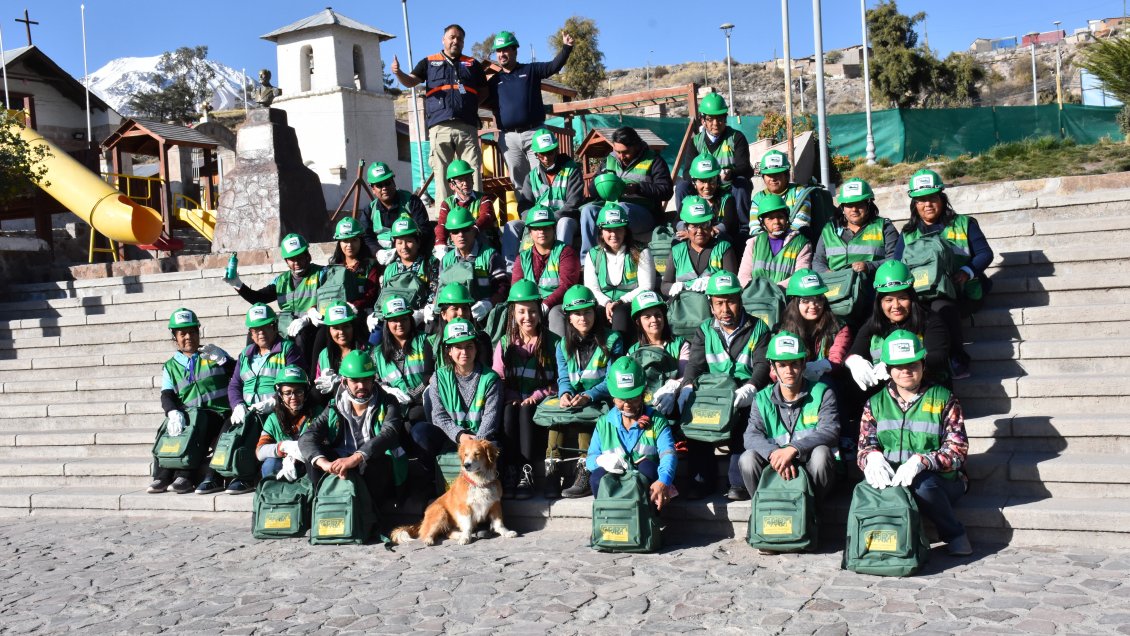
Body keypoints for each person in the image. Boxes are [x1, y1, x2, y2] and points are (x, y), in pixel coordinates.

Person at [858, 330, 972, 556]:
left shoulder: (943, 398)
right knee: (867, 486)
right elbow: (865, 444)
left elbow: (957, 450)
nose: (906, 371)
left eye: (912, 364)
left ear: (922, 365)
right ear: (889, 370)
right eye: (899, 366)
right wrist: (871, 456)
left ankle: (955, 535)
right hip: (893, 477)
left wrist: (922, 461)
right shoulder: (875, 403)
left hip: (940, 480)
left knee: (924, 485)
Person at [738, 331, 840, 532]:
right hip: (775, 464)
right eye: (782, 365)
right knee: (747, 458)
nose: (789, 370)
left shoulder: (822, 392)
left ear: (803, 364)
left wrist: (792, 449)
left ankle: (811, 512)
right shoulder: (762, 398)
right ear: (773, 367)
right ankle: (763, 509)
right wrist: (775, 453)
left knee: (822, 454)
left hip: (808, 465)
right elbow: (751, 436)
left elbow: (831, 430)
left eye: (794, 363)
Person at [683, 271, 771, 501]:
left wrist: (751, 387)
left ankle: (738, 482)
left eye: (731, 301)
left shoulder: (759, 327)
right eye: (719, 303)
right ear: (711, 305)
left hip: (744, 389)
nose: (725, 309)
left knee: (745, 419)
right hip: (714, 392)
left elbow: (762, 365)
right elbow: (695, 364)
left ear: (740, 300)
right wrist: (687, 385)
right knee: (695, 417)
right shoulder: (704, 329)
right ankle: (701, 480)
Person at [902, 169, 993, 379]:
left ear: (942, 199)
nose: (927, 204)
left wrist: (966, 272)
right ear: (914, 204)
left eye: (932, 198)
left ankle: (957, 359)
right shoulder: (907, 234)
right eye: (921, 200)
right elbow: (898, 265)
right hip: (923, 293)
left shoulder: (964, 224)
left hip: (962, 292)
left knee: (941, 307)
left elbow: (984, 254)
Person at [391, 24, 487, 205]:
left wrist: (468, 106)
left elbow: (484, 91)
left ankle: (475, 214)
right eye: (452, 37)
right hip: (439, 127)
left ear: (463, 42)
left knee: (472, 170)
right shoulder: (428, 62)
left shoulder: (473, 64)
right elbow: (411, 81)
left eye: (459, 38)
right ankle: (446, 217)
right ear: (443, 39)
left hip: (467, 127)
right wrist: (398, 73)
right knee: (441, 172)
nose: (455, 41)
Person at [298, 350, 405, 511]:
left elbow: (388, 433)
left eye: (366, 379)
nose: (361, 386)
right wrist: (325, 464)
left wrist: (356, 458)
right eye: (355, 380)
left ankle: (370, 513)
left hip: (369, 461)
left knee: (375, 463)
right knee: (313, 459)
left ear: (373, 379)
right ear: (344, 382)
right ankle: (322, 507)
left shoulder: (389, 402)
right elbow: (308, 436)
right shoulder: (334, 405)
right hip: (341, 461)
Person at [550, 285, 625, 499]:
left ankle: (584, 468)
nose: (583, 318)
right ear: (569, 318)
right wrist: (564, 393)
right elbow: (564, 377)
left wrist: (589, 395)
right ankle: (552, 469)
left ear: (595, 312)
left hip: (600, 399)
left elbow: (612, 379)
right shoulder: (562, 346)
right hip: (576, 398)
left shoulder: (612, 340)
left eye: (587, 312)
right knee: (556, 418)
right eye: (577, 314)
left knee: (586, 418)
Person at [148, 308, 234, 495]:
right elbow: (167, 394)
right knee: (166, 428)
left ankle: (185, 476)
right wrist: (172, 412)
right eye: (182, 333)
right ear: (175, 337)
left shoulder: (212, 354)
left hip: (217, 413)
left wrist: (225, 361)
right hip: (189, 414)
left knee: (197, 425)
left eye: (193, 331)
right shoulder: (171, 365)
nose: (188, 337)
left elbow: (238, 375)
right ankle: (161, 475)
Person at [221, 304, 304, 494]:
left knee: (255, 427)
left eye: (266, 327)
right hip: (250, 408)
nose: (261, 333)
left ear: (274, 327)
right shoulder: (245, 355)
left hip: (278, 409)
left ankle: (246, 477)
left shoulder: (288, 349)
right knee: (229, 427)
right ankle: (219, 474)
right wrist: (238, 405)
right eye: (256, 329)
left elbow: (296, 381)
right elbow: (234, 384)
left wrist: (275, 401)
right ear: (250, 333)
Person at [493, 281, 558, 499]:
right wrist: (511, 395)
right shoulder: (504, 343)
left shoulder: (554, 342)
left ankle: (526, 471)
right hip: (514, 406)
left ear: (540, 311)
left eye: (532, 311)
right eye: (521, 311)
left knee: (526, 410)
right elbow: (498, 379)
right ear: (513, 313)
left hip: (540, 410)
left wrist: (538, 395)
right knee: (512, 410)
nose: (527, 317)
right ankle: (511, 470)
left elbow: (563, 380)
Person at [846, 260, 951, 392]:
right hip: (886, 395)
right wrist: (854, 361)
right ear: (879, 303)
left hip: (927, 390)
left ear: (912, 298)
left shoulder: (930, 320)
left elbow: (938, 356)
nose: (896, 306)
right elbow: (854, 351)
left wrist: (893, 364)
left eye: (902, 298)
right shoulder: (873, 324)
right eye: (888, 300)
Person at [585, 357, 677, 508]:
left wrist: (664, 480)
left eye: (633, 399)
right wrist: (601, 461)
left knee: (648, 468)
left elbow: (668, 453)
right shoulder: (603, 424)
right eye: (621, 400)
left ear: (642, 394)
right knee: (597, 477)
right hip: (615, 484)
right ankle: (609, 521)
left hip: (646, 485)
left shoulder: (657, 421)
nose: (627, 405)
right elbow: (591, 458)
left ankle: (648, 521)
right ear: (613, 398)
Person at [489, 30, 574, 191]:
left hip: (535, 133)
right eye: (498, 51)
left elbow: (553, 66)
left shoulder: (530, 70)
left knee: (542, 176)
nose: (501, 54)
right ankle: (526, 214)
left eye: (505, 49)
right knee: (519, 182)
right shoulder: (494, 81)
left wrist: (566, 48)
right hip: (509, 138)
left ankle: (546, 213)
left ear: (515, 50)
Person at [226, 233, 323, 368]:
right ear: (286, 261)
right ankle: (250, 368)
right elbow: (259, 298)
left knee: (302, 335)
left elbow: (330, 298)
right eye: (292, 259)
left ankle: (302, 374)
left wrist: (308, 317)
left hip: (311, 324)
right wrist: (238, 285)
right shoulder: (281, 280)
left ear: (308, 255)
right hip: (285, 324)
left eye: (300, 256)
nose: (296, 262)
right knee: (255, 331)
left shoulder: (321, 274)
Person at [579, 127, 673, 259]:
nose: (621, 156)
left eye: (626, 152)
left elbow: (666, 191)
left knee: (621, 209)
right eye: (617, 152)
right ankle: (588, 259)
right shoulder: (609, 160)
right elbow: (593, 190)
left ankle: (622, 257)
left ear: (636, 146)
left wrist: (638, 188)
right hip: (610, 206)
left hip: (644, 213)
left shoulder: (653, 160)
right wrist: (601, 185)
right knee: (588, 210)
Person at [371, 295, 436, 484]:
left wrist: (411, 395)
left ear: (410, 319)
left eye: (403, 319)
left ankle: (428, 476)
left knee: (414, 427)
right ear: (386, 324)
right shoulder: (377, 353)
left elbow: (430, 375)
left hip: (422, 404)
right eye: (393, 320)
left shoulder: (425, 341)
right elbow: (374, 381)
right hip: (393, 408)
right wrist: (386, 391)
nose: (399, 323)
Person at [422, 319, 503, 468]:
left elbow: (491, 420)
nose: (464, 352)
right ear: (449, 351)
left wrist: (472, 445)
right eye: (458, 347)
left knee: (496, 445)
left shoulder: (491, 379)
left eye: (469, 346)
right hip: (450, 436)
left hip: (480, 441)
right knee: (420, 431)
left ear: (476, 348)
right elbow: (438, 417)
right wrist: (460, 436)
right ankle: (430, 479)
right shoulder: (438, 378)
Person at [675, 93, 752, 230]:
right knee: (682, 187)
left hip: (727, 186)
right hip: (704, 187)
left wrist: (731, 173)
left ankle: (743, 228)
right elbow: (687, 171)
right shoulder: (695, 142)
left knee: (742, 183)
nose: (715, 123)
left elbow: (745, 168)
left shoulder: (736, 138)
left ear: (725, 118)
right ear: (703, 120)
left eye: (720, 118)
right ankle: (684, 224)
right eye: (710, 119)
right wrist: (700, 180)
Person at [507, 127, 584, 263]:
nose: (546, 157)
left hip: (566, 219)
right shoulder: (531, 177)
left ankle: (560, 263)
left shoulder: (572, 171)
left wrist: (550, 220)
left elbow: (574, 203)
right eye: (541, 154)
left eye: (549, 152)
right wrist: (533, 221)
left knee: (564, 223)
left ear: (556, 150)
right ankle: (511, 269)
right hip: (537, 222)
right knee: (511, 225)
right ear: (536, 155)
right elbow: (524, 205)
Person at [584, 202, 656, 338]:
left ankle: (621, 353)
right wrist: (607, 303)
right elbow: (591, 288)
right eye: (608, 230)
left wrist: (620, 301)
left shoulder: (642, 251)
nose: (613, 234)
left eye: (618, 229)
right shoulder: (592, 254)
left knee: (621, 312)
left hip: (630, 303)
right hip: (603, 303)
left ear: (625, 230)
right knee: (593, 314)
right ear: (601, 231)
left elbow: (647, 286)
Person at [812, 178, 903, 279]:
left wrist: (869, 266)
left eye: (859, 204)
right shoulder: (829, 230)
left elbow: (896, 259)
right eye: (849, 205)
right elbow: (818, 261)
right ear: (842, 207)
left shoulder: (884, 227)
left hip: (873, 287)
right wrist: (827, 273)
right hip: (835, 288)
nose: (854, 209)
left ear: (868, 205)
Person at [512, 206, 581, 338]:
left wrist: (546, 304)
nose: (542, 232)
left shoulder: (566, 252)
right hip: (530, 305)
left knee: (555, 313)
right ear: (530, 232)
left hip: (558, 304)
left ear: (553, 229)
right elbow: (516, 288)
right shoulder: (522, 258)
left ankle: (558, 353)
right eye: (537, 228)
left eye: (546, 227)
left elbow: (567, 285)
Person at [777, 269, 852, 383]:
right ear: (795, 302)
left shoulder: (839, 327)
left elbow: (836, 360)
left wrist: (823, 365)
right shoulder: (785, 330)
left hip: (827, 382)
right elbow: (774, 366)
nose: (813, 306)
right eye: (806, 301)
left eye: (818, 299)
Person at [437, 207, 510, 324]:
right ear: (450, 235)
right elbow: (440, 291)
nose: (460, 235)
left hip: (485, 316)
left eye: (465, 229)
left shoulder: (491, 255)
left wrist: (489, 303)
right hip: (455, 316)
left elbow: (503, 287)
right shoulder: (446, 260)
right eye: (455, 231)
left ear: (473, 230)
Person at [370, 215, 439, 338]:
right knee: (375, 337)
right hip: (393, 317)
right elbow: (384, 295)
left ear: (418, 242)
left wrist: (423, 311)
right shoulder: (390, 268)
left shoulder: (430, 264)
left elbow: (435, 291)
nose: (404, 247)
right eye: (400, 242)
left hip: (421, 315)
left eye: (409, 241)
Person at [627, 291, 690, 418]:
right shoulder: (632, 351)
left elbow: (686, 375)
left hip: (674, 407)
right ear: (638, 322)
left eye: (658, 315)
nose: (654, 320)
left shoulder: (680, 344)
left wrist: (674, 386)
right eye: (647, 316)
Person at [663, 196, 738, 295]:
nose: (700, 231)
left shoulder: (723, 248)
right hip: (686, 305)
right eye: (694, 226)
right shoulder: (677, 251)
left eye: (705, 225)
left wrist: (712, 282)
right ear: (686, 228)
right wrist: (676, 287)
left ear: (711, 226)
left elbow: (732, 282)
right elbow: (664, 285)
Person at [257, 365, 318, 481]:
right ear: (280, 394)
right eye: (287, 393)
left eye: (298, 392)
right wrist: (284, 447)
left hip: (309, 462)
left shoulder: (317, 414)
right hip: (282, 464)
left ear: (306, 392)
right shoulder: (273, 419)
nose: (293, 397)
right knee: (270, 464)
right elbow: (260, 452)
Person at [739, 192, 812, 288]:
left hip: (787, 298)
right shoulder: (753, 243)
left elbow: (800, 277)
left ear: (787, 218)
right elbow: (743, 277)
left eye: (780, 217)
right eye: (770, 218)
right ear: (762, 222)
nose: (776, 222)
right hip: (756, 298)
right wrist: (758, 291)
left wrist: (773, 290)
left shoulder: (801, 244)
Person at [358, 161, 432, 255]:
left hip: (411, 255)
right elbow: (366, 237)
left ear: (393, 182)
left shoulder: (412, 202)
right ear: (373, 189)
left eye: (387, 183)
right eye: (379, 185)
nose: (384, 188)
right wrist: (377, 252)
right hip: (380, 260)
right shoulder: (368, 211)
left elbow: (425, 230)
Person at [675, 154, 742, 245]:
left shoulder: (727, 199)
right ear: (694, 182)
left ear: (718, 180)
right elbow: (676, 221)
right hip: (693, 236)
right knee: (676, 241)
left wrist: (710, 232)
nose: (707, 186)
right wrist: (689, 232)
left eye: (711, 180)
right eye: (702, 181)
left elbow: (728, 223)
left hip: (716, 239)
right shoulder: (688, 201)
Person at [312, 302, 370, 405]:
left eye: (346, 326)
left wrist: (340, 382)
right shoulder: (324, 355)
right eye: (336, 328)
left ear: (353, 326)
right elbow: (318, 386)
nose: (341, 332)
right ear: (329, 330)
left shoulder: (366, 351)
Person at [754, 150, 819, 239]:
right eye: (769, 175)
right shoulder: (758, 198)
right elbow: (755, 229)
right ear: (763, 177)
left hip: (795, 242)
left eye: (777, 174)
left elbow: (801, 223)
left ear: (787, 175)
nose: (773, 179)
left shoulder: (800, 192)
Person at [436, 159, 498, 251]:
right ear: (452, 185)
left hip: (483, 244)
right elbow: (441, 225)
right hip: (457, 245)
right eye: (460, 180)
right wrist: (440, 243)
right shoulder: (447, 204)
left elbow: (487, 216)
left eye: (468, 178)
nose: (465, 183)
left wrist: (472, 230)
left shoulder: (483, 199)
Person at [428, 283, 494, 367]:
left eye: (465, 308)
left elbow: (485, 371)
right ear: (443, 314)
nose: (461, 313)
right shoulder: (431, 343)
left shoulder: (482, 339)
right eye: (455, 308)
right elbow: (428, 375)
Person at [325, 216, 379, 316]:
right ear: (339, 243)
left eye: (354, 240)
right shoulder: (333, 267)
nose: (349, 245)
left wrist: (355, 305)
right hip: (336, 315)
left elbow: (371, 293)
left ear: (361, 241)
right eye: (345, 241)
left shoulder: (371, 265)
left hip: (362, 314)